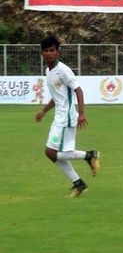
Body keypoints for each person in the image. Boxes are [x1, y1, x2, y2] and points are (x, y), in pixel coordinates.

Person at [35, 36, 100, 197]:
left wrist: (82, 113)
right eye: (46, 51)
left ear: (58, 52)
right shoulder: (48, 71)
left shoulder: (63, 70)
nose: (49, 53)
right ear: (41, 53)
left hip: (67, 118)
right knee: (51, 154)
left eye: (52, 50)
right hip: (60, 117)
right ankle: (79, 183)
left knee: (51, 153)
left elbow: (78, 90)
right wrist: (43, 111)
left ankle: (89, 156)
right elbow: (57, 97)